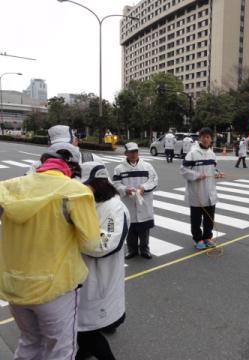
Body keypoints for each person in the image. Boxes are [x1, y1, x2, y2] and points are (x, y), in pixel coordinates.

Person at [0, 147, 100, 360]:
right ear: (70, 168)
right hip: (56, 287)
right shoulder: (75, 191)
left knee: (29, 342)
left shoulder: (9, 188)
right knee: (61, 350)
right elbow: (91, 244)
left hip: (15, 286)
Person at [76, 162, 130, 360]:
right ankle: (83, 352)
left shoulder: (114, 208)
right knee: (82, 326)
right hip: (84, 276)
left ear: (96, 184)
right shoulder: (93, 202)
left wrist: (73, 235)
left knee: (86, 328)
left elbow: (105, 245)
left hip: (100, 276)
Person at [181, 128, 224, 250]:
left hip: (210, 191)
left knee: (209, 218)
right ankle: (197, 239)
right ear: (199, 138)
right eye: (204, 137)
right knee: (196, 218)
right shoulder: (193, 154)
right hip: (197, 192)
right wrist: (196, 176)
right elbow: (183, 170)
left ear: (211, 139)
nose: (206, 139)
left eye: (208, 137)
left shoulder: (212, 154)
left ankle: (207, 237)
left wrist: (217, 173)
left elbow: (213, 169)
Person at [113, 142, 158, 260]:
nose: (134, 154)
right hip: (128, 202)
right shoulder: (119, 169)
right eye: (131, 152)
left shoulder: (147, 166)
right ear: (126, 153)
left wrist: (144, 187)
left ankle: (144, 249)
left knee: (144, 229)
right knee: (130, 227)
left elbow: (153, 180)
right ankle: (132, 249)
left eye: (136, 151)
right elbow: (116, 184)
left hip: (144, 201)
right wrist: (125, 189)